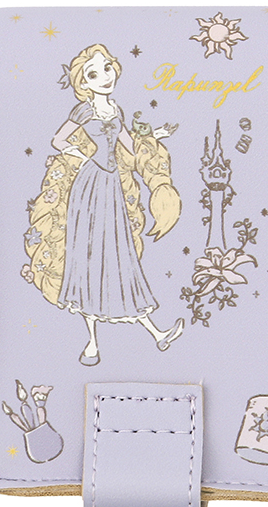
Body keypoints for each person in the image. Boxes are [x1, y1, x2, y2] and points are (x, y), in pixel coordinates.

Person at [22, 43, 184, 365]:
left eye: (107, 67)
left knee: (119, 254)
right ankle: (94, 343)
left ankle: (154, 333)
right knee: (88, 257)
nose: (105, 76)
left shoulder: (116, 110)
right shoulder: (83, 111)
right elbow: (58, 139)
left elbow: (128, 145)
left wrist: (154, 136)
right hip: (89, 186)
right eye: (94, 73)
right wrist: (80, 156)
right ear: (83, 82)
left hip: (112, 188)